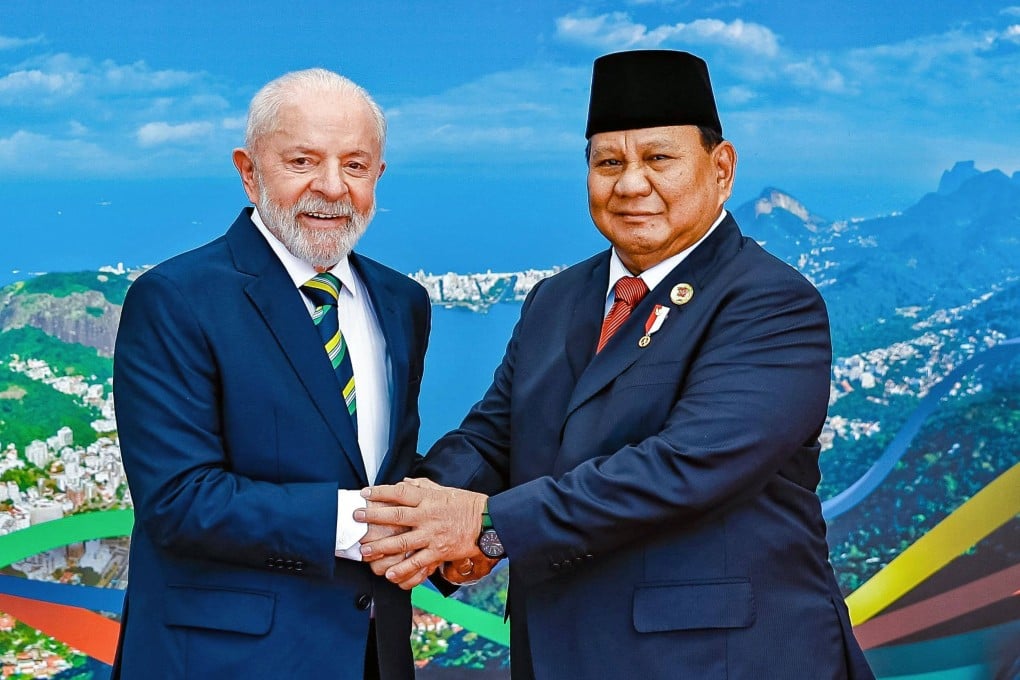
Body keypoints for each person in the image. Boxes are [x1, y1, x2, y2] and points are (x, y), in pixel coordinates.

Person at [357, 50, 875, 679]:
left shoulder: (770, 302)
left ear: (721, 168)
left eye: (659, 159)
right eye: (609, 163)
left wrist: (486, 526)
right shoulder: (558, 299)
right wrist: (420, 512)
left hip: (723, 660)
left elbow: (680, 469)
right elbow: (496, 434)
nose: (630, 185)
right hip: (561, 654)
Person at [112, 68, 430, 679]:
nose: (332, 187)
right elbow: (179, 501)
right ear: (248, 169)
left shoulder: (402, 301)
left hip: (372, 656)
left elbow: (389, 466)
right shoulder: (175, 298)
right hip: (222, 661)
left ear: (379, 177)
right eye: (303, 160)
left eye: (356, 166)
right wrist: (368, 523)